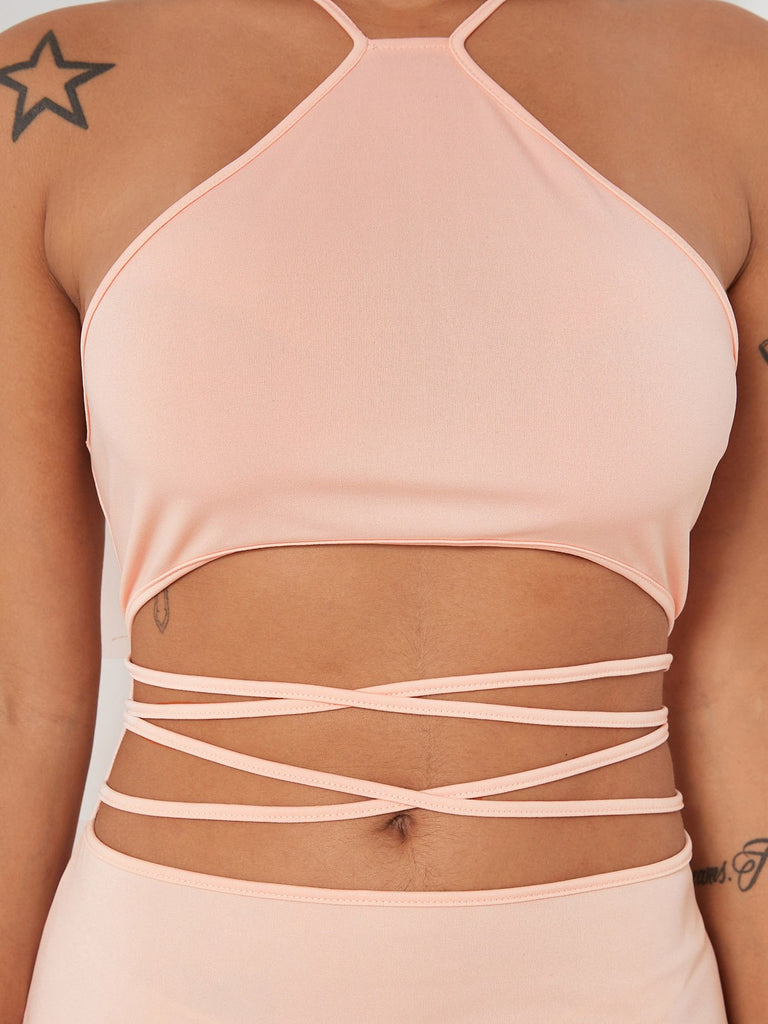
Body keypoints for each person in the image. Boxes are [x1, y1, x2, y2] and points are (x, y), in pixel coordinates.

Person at [1, 0, 766, 1020]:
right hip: (164, 973)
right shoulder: (49, 97)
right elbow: (22, 698)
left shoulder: (739, 87)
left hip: (615, 975)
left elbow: (740, 685)